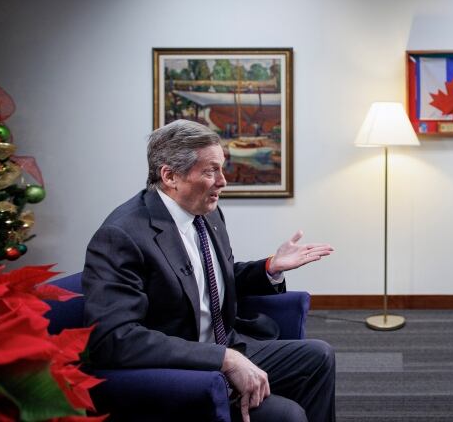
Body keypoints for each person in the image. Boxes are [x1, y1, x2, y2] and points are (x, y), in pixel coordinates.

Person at [82, 120, 336, 422]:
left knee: (319, 356)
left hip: (226, 345)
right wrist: (223, 359)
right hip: (180, 370)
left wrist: (269, 268)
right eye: (211, 170)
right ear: (170, 176)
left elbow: (211, 280)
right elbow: (114, 338)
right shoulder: (122, 235)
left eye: (222, 168)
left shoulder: (207, 214)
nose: (223, 181)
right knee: (288, 415)